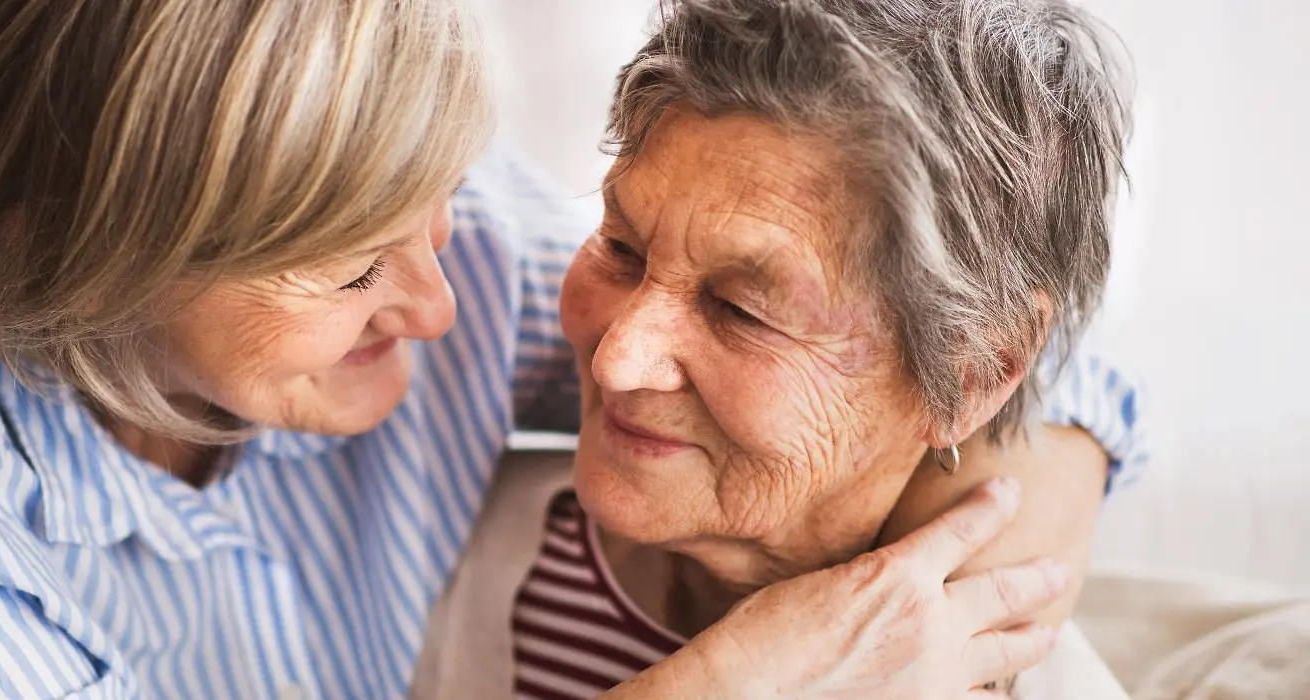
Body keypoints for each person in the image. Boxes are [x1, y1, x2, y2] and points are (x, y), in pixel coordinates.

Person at [0, 0, 1142, 697]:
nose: (445, 305)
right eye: (347, 265)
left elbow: (982, 335)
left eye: (434, 198)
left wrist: (986, 571)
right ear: (82, 267)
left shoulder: (473, 253)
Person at [414, 0, 1138, 697]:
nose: (617, 360)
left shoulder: (1014, 668)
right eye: (621, 248)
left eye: (741, 312)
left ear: (974, 374)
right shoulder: (440, 543)